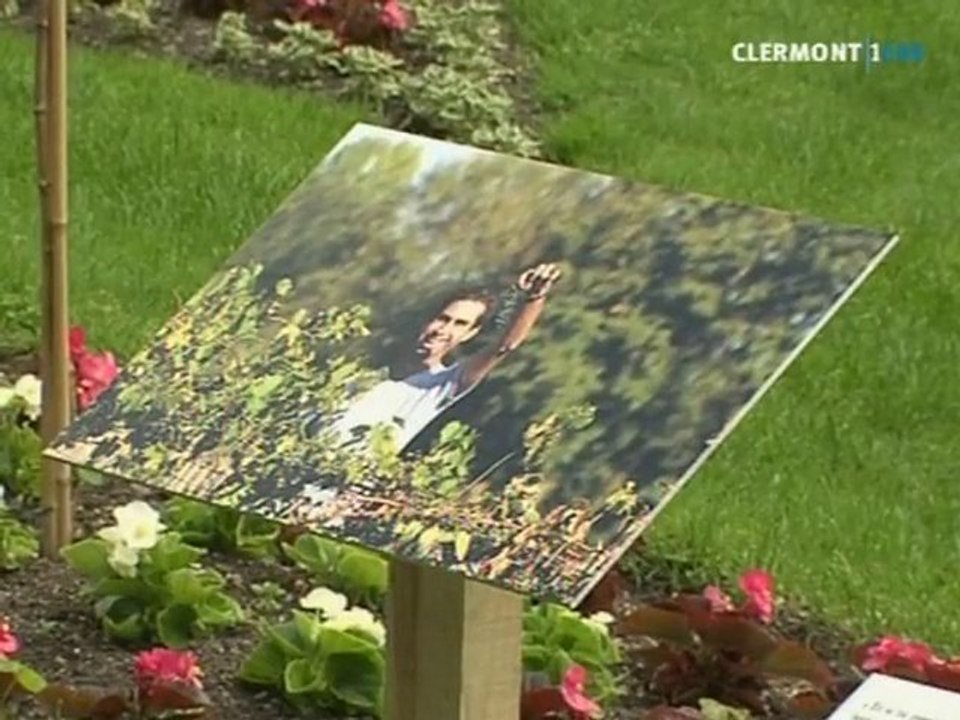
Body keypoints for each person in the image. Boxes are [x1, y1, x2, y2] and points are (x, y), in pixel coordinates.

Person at [331, 262, 562, 453]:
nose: (443, 330)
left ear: (470, 333)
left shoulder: (442, 385)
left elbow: (505, 345)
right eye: (443, 318)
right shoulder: (360, 368)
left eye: (459, 324)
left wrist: (533, 297)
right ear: (427, 318)